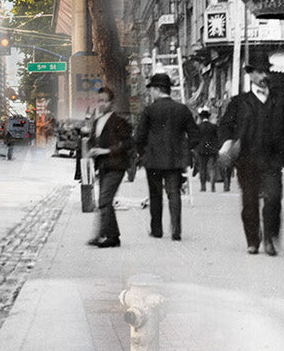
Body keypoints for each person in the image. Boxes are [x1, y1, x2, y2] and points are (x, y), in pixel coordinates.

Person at [219, 67, 284, 255]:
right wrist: (226, 144)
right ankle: (253, 240)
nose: (264, 76)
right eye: (259, 72)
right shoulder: (239, 102)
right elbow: (225, 126)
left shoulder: (280, 100)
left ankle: (270, 238)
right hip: (247, 160)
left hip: (272, 159)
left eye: (266, 72)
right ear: (250, 74)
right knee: (249, 202)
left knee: (274, 198)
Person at [131, 72, 199, 241]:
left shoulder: (149, 110)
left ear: (157, 89)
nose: (150, 93)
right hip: (175, 160)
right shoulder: (182, 109)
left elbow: (139, 137)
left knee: (155, 195)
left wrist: (143, 152)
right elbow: (195, 136)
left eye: (151, 89)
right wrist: (185, 149)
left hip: (153, 160)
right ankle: (176, 229)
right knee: (174, 193)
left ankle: (157, 230)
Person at [85, 86, 131, 248]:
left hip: (116, 165)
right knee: (105, 201)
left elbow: (127, 143)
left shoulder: (119, 122)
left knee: (104, 200)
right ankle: (107, 235)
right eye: (99, 101)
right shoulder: (97, 121)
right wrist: (92, 149)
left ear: (111, 103)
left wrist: (107, 150)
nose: (101, 104)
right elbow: (92, 140)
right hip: (103, 166)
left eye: (105, 101)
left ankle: (111, 237)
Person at [194, 107, 222, 191]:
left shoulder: (198, 127)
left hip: (201, 150)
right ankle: (212, 186)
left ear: (201, 117)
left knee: (202, 168)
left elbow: (195, 139)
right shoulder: (213, 126)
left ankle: (203, 186)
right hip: (211, 149)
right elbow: (218, 137)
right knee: (212, 168)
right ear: (208, 117)